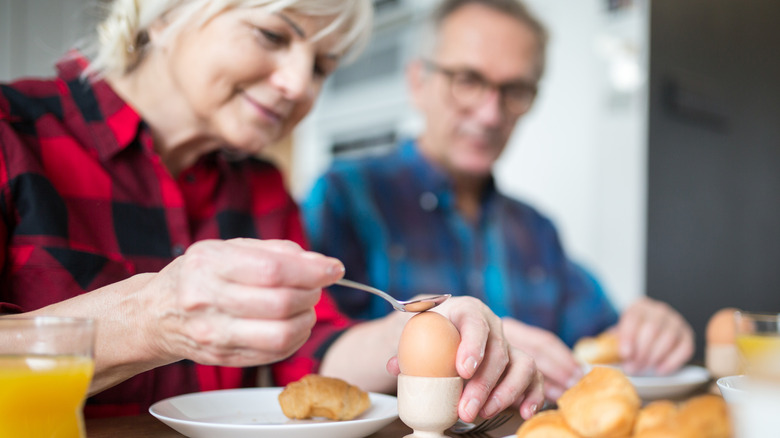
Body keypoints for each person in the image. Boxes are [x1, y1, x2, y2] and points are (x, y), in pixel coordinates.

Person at [0, 0, 544, 422]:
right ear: (165, 15)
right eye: (272, 35)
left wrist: (433, 327)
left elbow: (314, 351)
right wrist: (150, 317)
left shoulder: (261, 188)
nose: (298, 85)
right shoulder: (11, 132)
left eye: (322, 66)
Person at [303, 0, 695, 402]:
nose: (491, 114)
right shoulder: (345, 197)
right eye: (468, 79)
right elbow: (305, 359)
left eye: (514, 90)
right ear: (418, 82)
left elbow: (599, 343)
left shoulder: (537, 231)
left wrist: (644, 334)